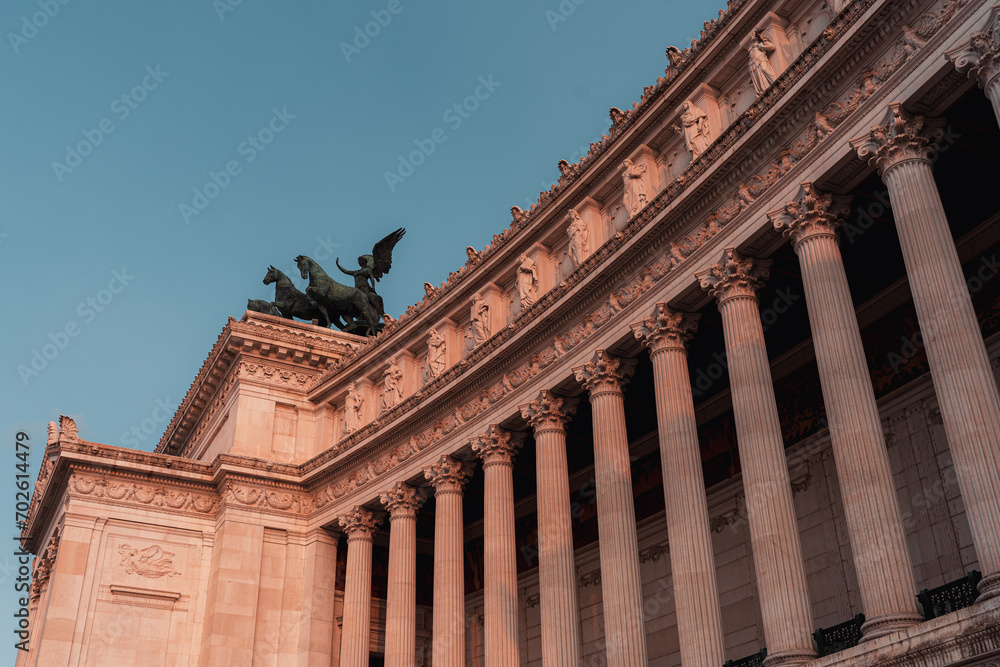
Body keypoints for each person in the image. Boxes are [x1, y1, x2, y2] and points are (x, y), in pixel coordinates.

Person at [748, 29, 778, 94]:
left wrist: (762, 46)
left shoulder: (761, 41)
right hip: (753, 63)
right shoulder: (751, 46)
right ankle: (764, 90)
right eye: (751, 34)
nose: (752, 35)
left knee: (765, 69)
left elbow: (772, 46)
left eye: (753, 33)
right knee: (758, 78)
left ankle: (776, 83)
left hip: (761, 59)